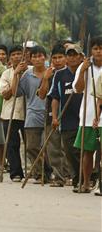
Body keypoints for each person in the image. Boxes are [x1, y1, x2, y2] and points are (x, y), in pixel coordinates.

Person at [13, 45, 52, 183]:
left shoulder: (52, 72)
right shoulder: (27, 74)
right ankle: (42, 173)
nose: (37, 59)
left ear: (45, 57)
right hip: (32, 114)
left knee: (48, 147)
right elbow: (16, 92)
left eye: (39, 56)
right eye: (34, 56)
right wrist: (15, 74)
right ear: (30, 59)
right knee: (31, 147)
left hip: (50, 114)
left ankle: (49, 172)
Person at [49, 44, 84, 191]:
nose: (72, 57)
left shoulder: (87, 72)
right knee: (70, 152)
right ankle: (78, 177)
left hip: (84, 119)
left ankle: (87, 177)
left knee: (84, 151)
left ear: (81, 57)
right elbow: (55, 98)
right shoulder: (60, 74)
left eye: (75, 55)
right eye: (69, 55)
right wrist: (55, 117)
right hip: (67, 120)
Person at [38, 43, 69, 187]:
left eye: (60, 57)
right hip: (51, 116)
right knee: (53, 149)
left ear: (66, 58)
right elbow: (42, 95)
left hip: (70, 116)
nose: (57, 60)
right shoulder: (49, 73)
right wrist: (45, 79)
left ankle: (70, 175)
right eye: (55, 58)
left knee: (67, 148)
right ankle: (58, 177)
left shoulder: (72, 72)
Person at [75, 37, 102, 193]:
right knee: (87, 151)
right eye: (96, 48)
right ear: (91, 50)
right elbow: (78, 89)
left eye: (101, 48)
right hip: (88, 114)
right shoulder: (84, 66)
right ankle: (86, 183)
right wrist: (83, 70)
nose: (99, 51)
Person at [0, 45, 25, 181]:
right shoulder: (6, 73)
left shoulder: (31, 71)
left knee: (32, 144)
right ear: (10, 57)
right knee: (11, 144)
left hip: (27, 112)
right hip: (10, 113)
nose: (16, 57)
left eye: (19, 54)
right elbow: (6, 95)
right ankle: (16, 172)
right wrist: (15, 76)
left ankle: (39, 170)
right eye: (13, 54)